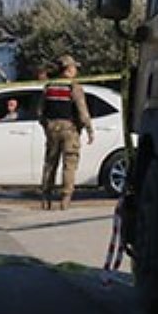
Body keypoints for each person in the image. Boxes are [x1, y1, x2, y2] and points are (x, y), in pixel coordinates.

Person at [38, 55, 94, 210]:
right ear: (68, 69)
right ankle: (65, 199)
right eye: (74, 67)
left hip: (52, 128)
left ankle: (46, 198)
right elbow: (83, 112)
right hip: (69, 129)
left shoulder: (49, 86)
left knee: (50, 163)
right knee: (69, 164)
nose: (76, 70)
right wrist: (89, 130)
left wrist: (47, 126)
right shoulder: (74, 87)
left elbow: (40, 112)